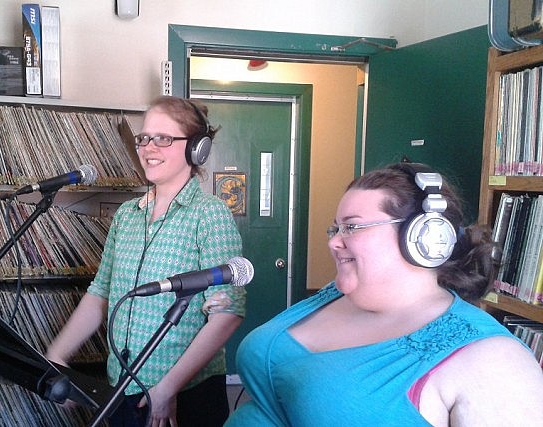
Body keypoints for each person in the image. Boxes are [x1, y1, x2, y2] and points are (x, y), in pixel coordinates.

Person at [225, 162, 543, 426]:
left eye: (352, 227)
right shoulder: (331, 295)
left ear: (425, 237)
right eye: (335, 228)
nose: (334, 242)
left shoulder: (495, 362)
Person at [47, 96, 246, 427]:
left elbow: (227, 313)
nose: (148, 148)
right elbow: (101, 293)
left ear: (197, 149)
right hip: (122, 388)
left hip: (183, 396)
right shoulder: (126, 215)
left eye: (164, 138)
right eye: (144, 138)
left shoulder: (210, 215)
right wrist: (57, 355)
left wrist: (168, 388)